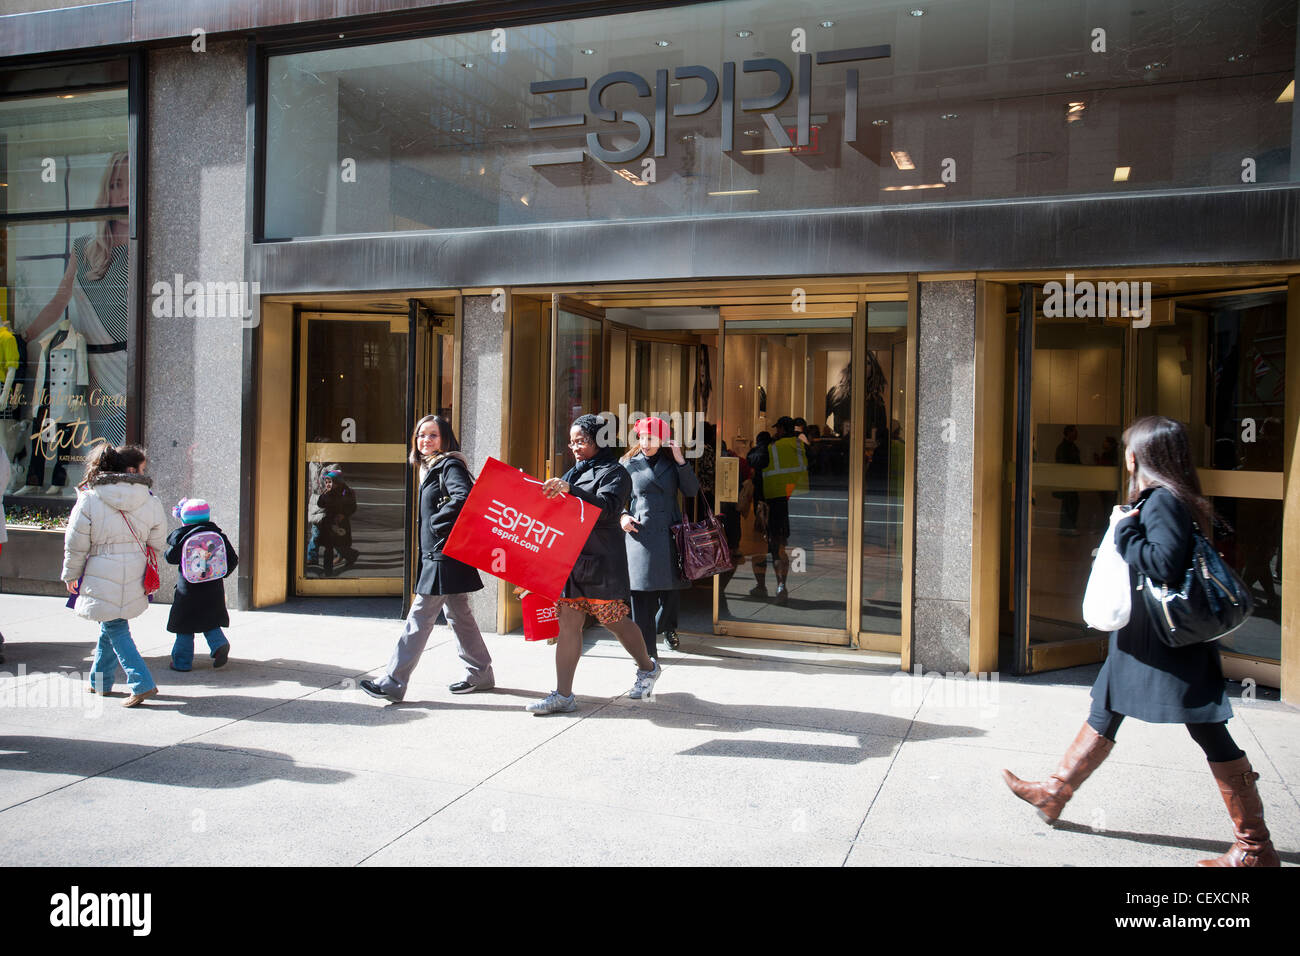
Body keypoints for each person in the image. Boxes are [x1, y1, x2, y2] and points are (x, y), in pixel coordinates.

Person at [1001, 416, 1279, 867]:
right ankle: (1054, 793)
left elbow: (1163, 565)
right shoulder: (1167, 498)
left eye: (1129, 448)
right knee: (1105, 707)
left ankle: (1254, 847)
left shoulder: (1161, 502)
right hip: (1144, 638)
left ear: (1140, 456)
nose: (1125, 456)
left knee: (1209, 731)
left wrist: (1125, 532)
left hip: (1167, 644)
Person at [528, 413, 661, 715]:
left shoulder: (616, 473)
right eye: (572, 441)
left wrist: (569, 491)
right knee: (569, 624)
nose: (575, 447)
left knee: (614, 621)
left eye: (582, 441)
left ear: (599, 441)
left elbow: (606, 510)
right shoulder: (574, 472)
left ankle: (647, 667)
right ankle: (563, 695)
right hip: (572, 559)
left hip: (602, 559)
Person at [361, 415, 492, 702]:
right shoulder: (430, 467)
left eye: (433, 435)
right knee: (460, 616)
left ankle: (394, 681)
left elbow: (463, 496)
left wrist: (435, 523)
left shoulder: (449, 464)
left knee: (419, 616)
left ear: (445, 439)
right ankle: (481, 672)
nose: (426, 440)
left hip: (443, 555)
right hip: (444, 554)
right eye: (421, 435)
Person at [61, 443, 167, 707]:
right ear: (131, 469)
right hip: (136, 565)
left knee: (114, 623)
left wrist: (71, 573)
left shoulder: (90, 497)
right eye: (143, 467)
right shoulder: (150, 499)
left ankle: (141, 682)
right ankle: (101, 680)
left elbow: (76, 542)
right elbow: (158, 539)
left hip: (99, 566)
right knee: (112, 620)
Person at [620, 416, 699, 657]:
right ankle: (645, 650)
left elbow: (691, 490)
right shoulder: (627, 463)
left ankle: (666, 627)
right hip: (639, 533)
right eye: (642, 437)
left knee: (671, 590)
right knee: (640, 594)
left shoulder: (673, 463)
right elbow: (617, 498)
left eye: (651, 438)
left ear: (662, 440)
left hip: (669, 533)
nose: (645, 443)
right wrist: (623, 516)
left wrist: (680, 460)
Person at [164, 497, 236, 671]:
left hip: (187, 590)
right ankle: (219, 645)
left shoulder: (182, 537)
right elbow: (232, 559)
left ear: (184, 519)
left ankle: (182, 663)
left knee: (184, 627)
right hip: (213, 588)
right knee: (210, 620)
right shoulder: (217, 535)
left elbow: (170, 557)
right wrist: (220, 574)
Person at [749, 416, 808, 605]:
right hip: (789, 498)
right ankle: (781, 585)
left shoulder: (772, 447)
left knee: (762, 547)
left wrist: (762, 443)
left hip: (768, 501)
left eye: (778, 429)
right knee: (779, 546)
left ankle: (761, 586)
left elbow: (754, 460)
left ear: (782, 429)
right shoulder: (799, 446)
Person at [317, 467, 359, 575]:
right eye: (326, 482)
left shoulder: (346, 492)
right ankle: (328, 571)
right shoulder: (327, 493)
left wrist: (344, 515)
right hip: (329, 523)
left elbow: (352, 507)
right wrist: (324, 494)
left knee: (340, 545)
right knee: (328, 547)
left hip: (341, 523)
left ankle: (351, 555)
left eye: (330, 482)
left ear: (337, 482)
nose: (327, 484)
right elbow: (320, 504)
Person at [1054, 424, 1082, 534]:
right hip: (1067, 481)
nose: (1076, 435)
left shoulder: (1071, 446)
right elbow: (1064, 464)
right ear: (1068, 433)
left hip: (1070, 481)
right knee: (1069, 504)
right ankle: (1068, 528)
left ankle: (1067, 527)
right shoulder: (1065, 447)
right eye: (1074, 432)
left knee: (1070, 504)